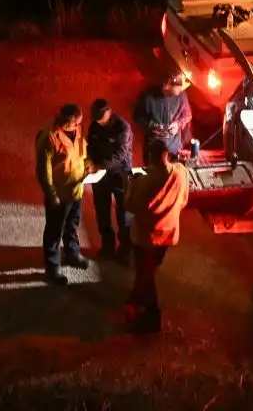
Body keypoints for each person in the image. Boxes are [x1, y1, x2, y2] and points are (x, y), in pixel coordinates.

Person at [125, 136, 189, 334]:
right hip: (168, 234)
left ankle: (151, 317)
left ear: (150, 157)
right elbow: (184, 200)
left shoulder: (143, 182)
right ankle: (134, 298)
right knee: (150, 269)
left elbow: (130, 205)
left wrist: (130, 184)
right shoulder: (180, 172)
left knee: (147, 274)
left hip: (146, 238)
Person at [35, 102, 89, 283]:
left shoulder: (76, 129)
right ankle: (52, 268)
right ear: (67, 122)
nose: (78, 127)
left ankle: (72, 254)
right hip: (60, 194)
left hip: (77, 189)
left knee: (72, 225)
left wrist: (88, 166)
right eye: (76, 123)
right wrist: (52, 195)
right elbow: (44, 172)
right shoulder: (49, 138)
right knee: (54, 231)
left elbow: (81, 152)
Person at [86, 97, 134, 259]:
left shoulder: (122, 128)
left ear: (109, 112)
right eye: (96, 119)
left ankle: (125, 250)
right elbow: (90, 147)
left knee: (124, 214)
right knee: (102, 212)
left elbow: (120, 154)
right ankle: (107, 246)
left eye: (101, 118)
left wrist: (100, 166)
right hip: (100, 178)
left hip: (120, 175)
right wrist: (89, 161)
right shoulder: (94, 126)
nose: (98, 122)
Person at [133, 67, 193, 156]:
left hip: (175, 147)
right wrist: (153, 126)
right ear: (166, 85)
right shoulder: (147, 97)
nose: (178, 95)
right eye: (172, 94)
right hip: (154, 147)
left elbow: (187, 115)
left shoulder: (181, 95)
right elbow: (137, 117)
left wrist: (178, 124)